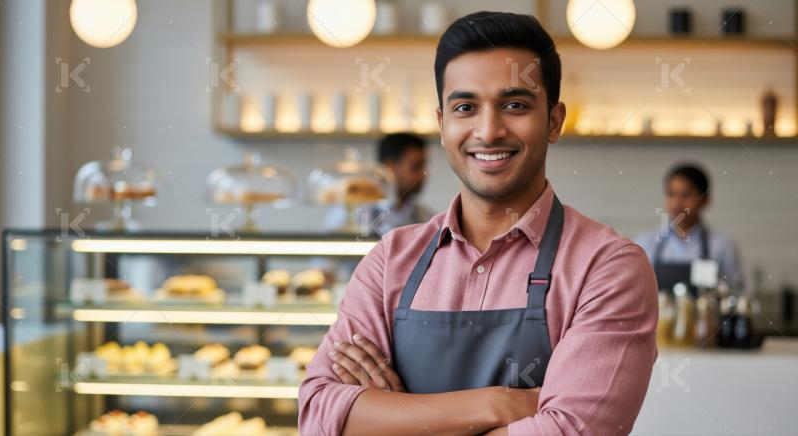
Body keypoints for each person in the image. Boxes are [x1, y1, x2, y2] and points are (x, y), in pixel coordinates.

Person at [299, 11, 658, 436]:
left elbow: (571, 432)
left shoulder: (608, 268)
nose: (488, 131)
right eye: (466, 107)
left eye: (515, 105)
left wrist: (392, 416)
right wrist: (499, 404)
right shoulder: (389, 260)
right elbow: (319, 416)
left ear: (555, 121)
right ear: (442, 124)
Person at [635, 163, 744, 294]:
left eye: (685, 195)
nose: (676, 202)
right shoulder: (646, 242)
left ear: (705, 200)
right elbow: (635, 289)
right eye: (671, 194)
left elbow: (736, 292)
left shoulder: (721, 246)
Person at [322, 133, 434, 235]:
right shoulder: (350, 212)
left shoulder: (427, 218)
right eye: (416, 167)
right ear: (390, 168)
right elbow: (325, 253)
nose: (424, 174)